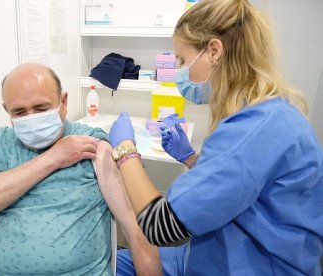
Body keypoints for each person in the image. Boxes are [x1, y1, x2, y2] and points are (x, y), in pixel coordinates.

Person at [106, 0, 323, 275]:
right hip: (208, 250)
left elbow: (160, 225)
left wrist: (125, 150)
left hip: (253, 266)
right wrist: (191, 159)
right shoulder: (265, 114)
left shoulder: (255, 129)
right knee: (113, 263)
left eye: (183, 60)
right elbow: (239, 189)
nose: (180, 72)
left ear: (214, 51)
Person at [0, 63, 161, 275]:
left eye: (41, 108)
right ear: (6, 111)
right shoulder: (1, 142)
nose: (31, 118)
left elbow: (137, 230)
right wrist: (53, 157)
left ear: (63, 103)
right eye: (19, 112)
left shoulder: (92, 144)